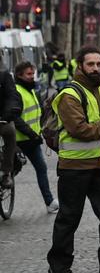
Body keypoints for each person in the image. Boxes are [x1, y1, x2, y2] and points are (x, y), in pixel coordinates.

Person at [47, 46, 100, 273]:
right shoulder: (69, 95)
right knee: (68, 219)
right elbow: (79, 129)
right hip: (74, 168)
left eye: (98, 64)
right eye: (90, 64)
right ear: (80, 66)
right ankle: (59, 268)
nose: (95, 68)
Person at [13, 61, 58, 213]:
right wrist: (31, 134)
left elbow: (37, 113)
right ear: (19, 75)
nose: (32, 77)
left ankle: (49, 201)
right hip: (17, 141)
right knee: (11, 172)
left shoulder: (31, 90)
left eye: (33, 74)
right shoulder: (17, 91)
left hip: (32, 141)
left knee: (41, 168)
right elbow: (16, 118)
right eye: (29, 74)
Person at [0, 64, 21, 188]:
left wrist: (8, 114)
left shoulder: (4, 76)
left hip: (2, 118)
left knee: (10, 132)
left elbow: (12, 97)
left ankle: (6, 172)